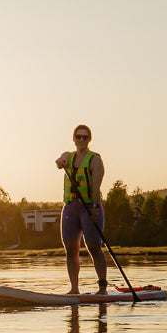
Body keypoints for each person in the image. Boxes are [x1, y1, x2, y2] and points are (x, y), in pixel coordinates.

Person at [55, 124, 108, 295]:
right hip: (71, 207)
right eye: (78, 137)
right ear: (74, 139)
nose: (81, 140)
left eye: (85, 137)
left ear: (89, 139)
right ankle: (74, 289)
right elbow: (61, 159)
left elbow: (96, 187)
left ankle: (102, 288)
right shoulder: (69, 157)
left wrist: (94, 208)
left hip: (89, 207)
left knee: (93, 246)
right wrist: (60, 161)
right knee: (70, 248)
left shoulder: (95, 160)